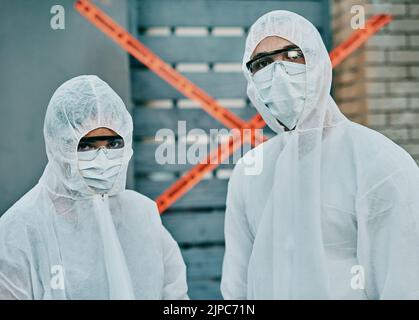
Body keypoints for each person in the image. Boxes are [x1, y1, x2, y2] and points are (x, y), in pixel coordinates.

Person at [221, 10, 419, 299]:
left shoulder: (379, 162)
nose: (277, 73)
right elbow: (237, 286)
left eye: (292, 55)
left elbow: (403, 282)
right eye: (262, 63)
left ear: (317, 63)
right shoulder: (249, 172)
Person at [0, 75, 188, 299]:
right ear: (61, 145)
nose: (102, 159)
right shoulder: (20, 229)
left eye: (113, 144)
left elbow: (175, 295)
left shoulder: (142, 216)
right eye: (87, 145)